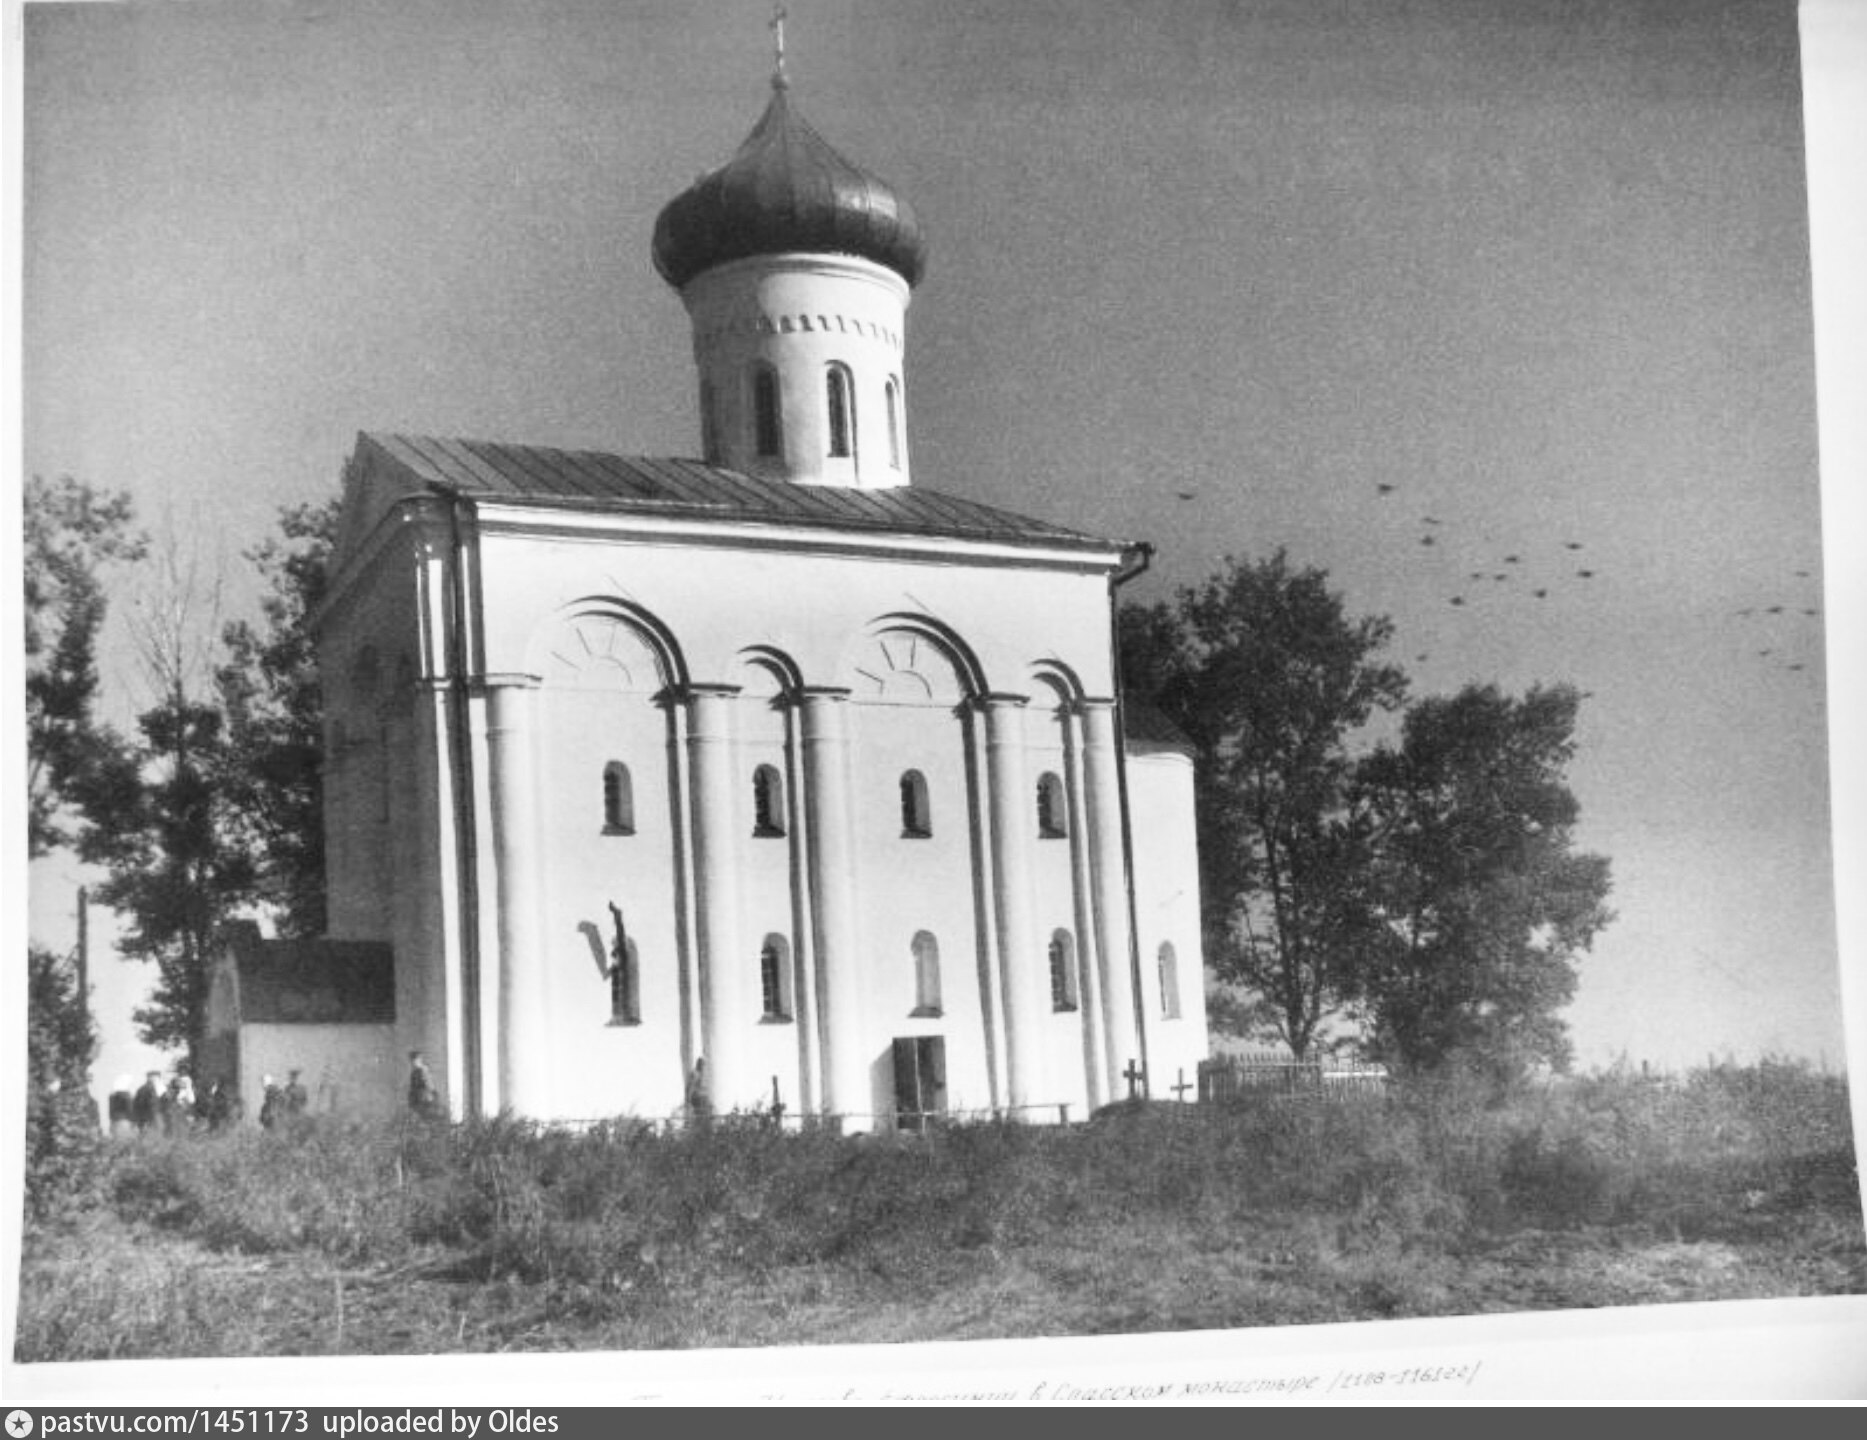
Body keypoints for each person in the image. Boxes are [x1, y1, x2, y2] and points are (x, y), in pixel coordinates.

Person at [407, 1050, 439, 1117]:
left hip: (424, 1098)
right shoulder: (414, 1072)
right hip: (417, 1098)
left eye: (415, 1060)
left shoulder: (423, 1069)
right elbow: (413, 1086)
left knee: (425, 1116)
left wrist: (433, 1094)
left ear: (419, 1059)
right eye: (412, 1060)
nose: (413, 1062)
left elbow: (429, 1083)